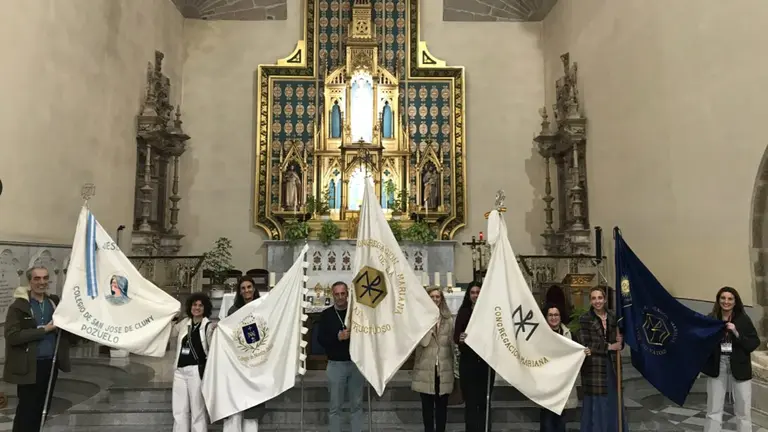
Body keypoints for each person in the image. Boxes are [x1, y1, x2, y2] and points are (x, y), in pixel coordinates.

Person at [4, 266, 76, 432]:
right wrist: (44, 330)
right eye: (37, 278)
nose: (42, 282)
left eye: (45, 278)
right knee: (27, 410)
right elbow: (13, 336)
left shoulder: (54, 302)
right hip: (30, 365)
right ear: (30, 281)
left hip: (50, 364)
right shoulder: (19, 307)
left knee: (43, 408)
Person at [701, 286, 760, 432]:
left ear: (735, 301)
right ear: (718, 300)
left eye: (730, 299)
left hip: (739, 365)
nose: (726, 301)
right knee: (713, 409)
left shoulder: (743, 319)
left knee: (743, 410)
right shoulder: (711, 318)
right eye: (723, 298)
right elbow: (702, 341)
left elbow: (753, 343)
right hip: (718, 364)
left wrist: (736, 332)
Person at [578, 286, 627, 432]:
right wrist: (609, 347)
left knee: (613, 401)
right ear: (590, 301)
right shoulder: (585, 319)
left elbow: (619, 344)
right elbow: (585, 344)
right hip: (594, 368)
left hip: (612, 367)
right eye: (593, 298)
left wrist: (621, 341)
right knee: (597, 405)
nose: (597, 301)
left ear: (605, 299)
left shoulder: (614, 317)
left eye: (600, 298)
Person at [317, 281, 364, 432]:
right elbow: (321, 340)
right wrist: (337, 337)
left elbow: (366, 336)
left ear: (348, 294)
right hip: (335, 364)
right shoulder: (326, 315)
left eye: (343, 294)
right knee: (335, 406)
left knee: (356, 405)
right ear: (333, 295)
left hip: (356, 363)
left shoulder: (357, 313)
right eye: (337, 294)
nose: (340, 297)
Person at [223, 276, 264, 432]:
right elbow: (229, 332)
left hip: (256, 361)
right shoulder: (234, 311)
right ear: (239, 292)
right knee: (236, 403)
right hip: (238, 362)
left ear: (254, 288)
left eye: (249, 287)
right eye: (243, 288)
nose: (247, 290)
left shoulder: (262, 306)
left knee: (253, 404)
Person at [412, 287, 454, 432]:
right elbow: (423, 343)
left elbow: (451, 343)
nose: (435, 299)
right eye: (432, 297)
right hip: (426, 368)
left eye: (438, 297)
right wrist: (428, 325)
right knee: (427, 408)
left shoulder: (448, 319)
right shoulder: (420, 319)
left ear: (441, 299)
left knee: (442, 407)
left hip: (443, 368)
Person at [453, 281, 494, 432]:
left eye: (478, 292)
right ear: (468, 295)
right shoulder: (463, 312)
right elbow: (456, 336)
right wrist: (461, 338)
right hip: (468, 363)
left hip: (485, 363)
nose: (476, 295)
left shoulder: (489, 312)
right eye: (473, 293)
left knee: (484, 402)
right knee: (470, 403)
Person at [172, 293, 215, 432]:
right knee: (179, 410)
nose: (197, 308)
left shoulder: (207, 326)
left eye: (200, 305)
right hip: (179, 371)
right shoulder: (184, 323)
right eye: (194, 305)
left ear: (205, 308)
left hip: (196, 371)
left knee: (197, 410)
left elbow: (212, 348)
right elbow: (171, 332)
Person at [539, 303, 581, 432]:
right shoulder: (539, 336)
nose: (553, 318)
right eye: (550, 315)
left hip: (563, 386)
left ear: (560, 316)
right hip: (546, 385)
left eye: (556, 314)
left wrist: (583, 352)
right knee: (547, 423)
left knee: (560, 423)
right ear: (546, 317)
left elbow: (576, 354)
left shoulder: (570, 335)